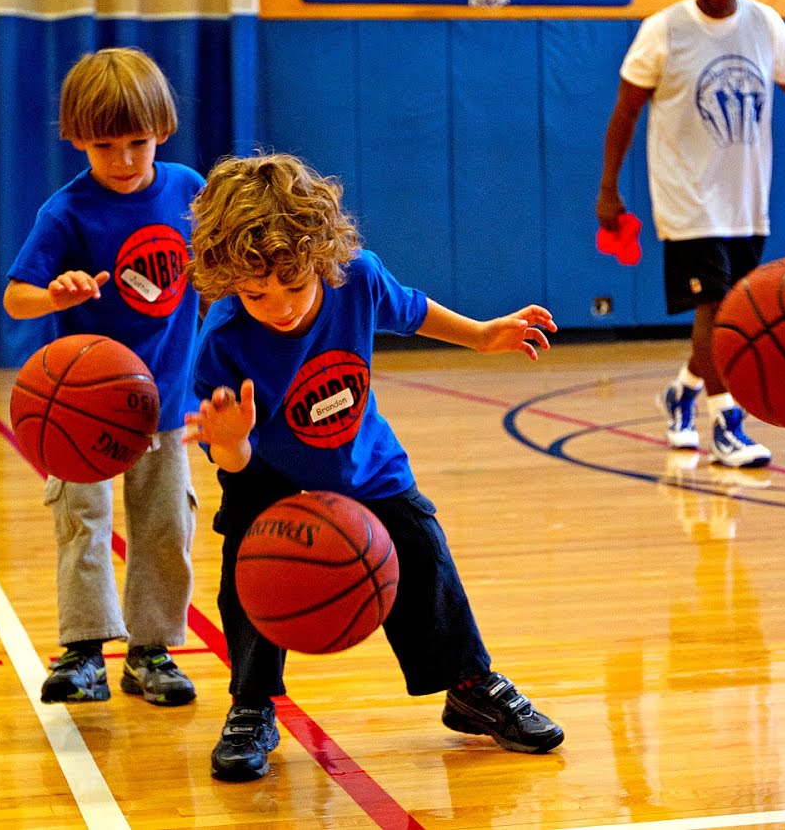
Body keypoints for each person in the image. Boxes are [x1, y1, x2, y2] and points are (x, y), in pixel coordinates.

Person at [185, 152, 565, 782]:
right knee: (251, 575)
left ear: (322, 259)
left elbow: (412, 312)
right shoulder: (223, 341)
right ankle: (251, 704)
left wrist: (480, 335)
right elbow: (231, 459)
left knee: (421, 547)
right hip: (266, 473)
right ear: (227, 282)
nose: (277, 305)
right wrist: (232, 443)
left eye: (293, 285)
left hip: (364, 461)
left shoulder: (355, 279)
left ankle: (468, 684)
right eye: (255, 293)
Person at [596, 0, 785, 468]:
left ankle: (683, 393)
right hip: (687, 199)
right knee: (715, 307)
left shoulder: (764, 23)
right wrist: (609, 187)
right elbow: (625, 112)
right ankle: (727, 426)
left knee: (733, 316)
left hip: (746, 199)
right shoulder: (663, 30)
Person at [3, 47, 200, 707]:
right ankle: (83, 650)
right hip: (80, 410)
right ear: (77, 140)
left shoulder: (189, 191)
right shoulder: (68, 210)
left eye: (137, 143)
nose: (122, 159)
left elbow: (221, 272)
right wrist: (56, 295)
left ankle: (152, 651)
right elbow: (16, 298)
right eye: (103, 144)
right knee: (82, 521)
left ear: (162, 132)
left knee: (166, 526)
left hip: (167, 399)